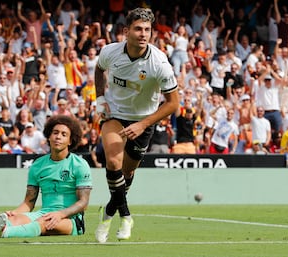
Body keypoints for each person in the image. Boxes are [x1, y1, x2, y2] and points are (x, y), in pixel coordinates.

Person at [94, 8, 179, 243]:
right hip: (115, 114)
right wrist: (100, 98)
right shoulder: (110, 52)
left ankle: (109, 211)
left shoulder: (160, 63)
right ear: (126, 31)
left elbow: (173, 104)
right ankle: (124, 217)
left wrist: (142, 124)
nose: (143, 34)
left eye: (147, 30)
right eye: (138, 29)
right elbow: (99, 69)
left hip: (144, 119)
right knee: (113, 161)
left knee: (127, 173)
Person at [0, 115, 92, 238]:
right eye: (55, 133)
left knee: (43, 222)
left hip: (71, 219)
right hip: (43, 213)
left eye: (63, 134)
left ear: (70, 141)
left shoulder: (79, 164)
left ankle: (3, 233)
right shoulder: (38, 165)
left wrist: (60, 214)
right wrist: (14, 213)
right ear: (49, 136)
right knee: (14, 220)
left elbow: (83, 203)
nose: (58, 137)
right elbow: (28, 203)